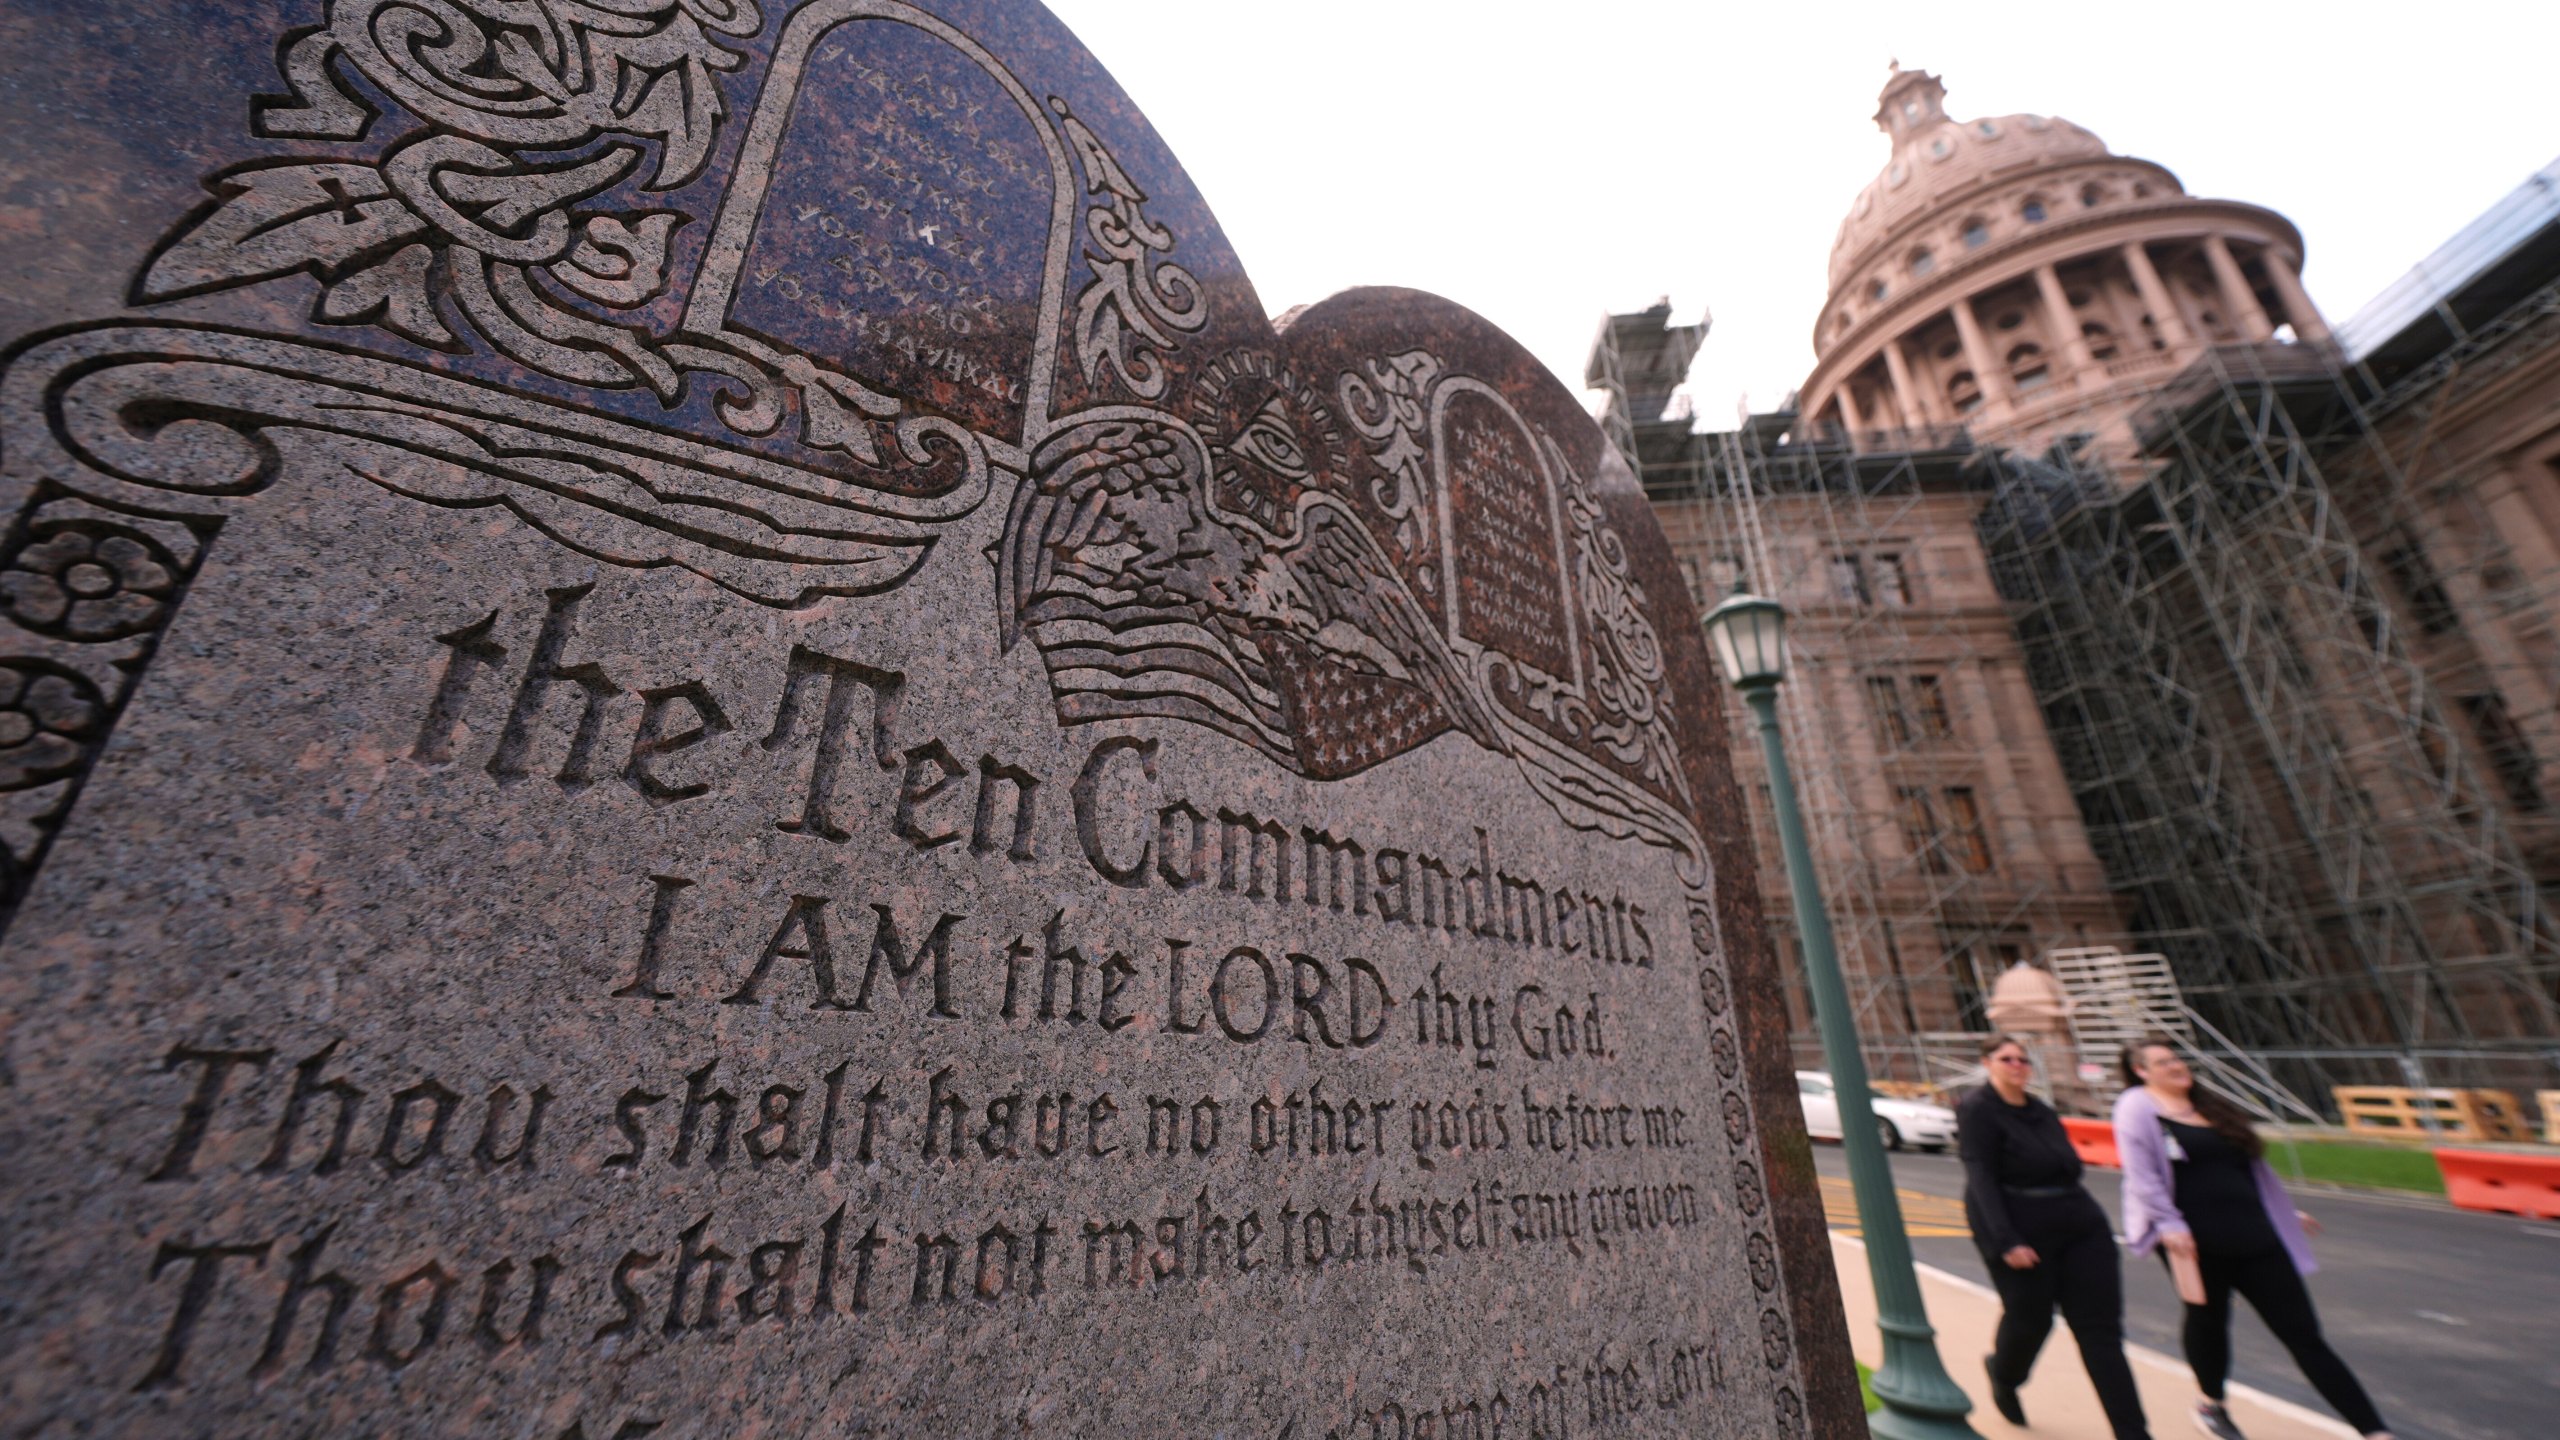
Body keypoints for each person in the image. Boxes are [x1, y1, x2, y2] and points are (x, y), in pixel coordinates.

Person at [2114, 1037, 2395, 1440]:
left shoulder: (2211, 1108)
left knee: (2303, 1335)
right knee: (2209, 1321)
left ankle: (2373, 1430)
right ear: (2142, 1071)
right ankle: (2211, 1404)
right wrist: (2169, 1224)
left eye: (2177, 1058)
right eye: (2163, 1062)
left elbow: (2247, 1172)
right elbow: (2143, 1175)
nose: (2176, 1066)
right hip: (2193, 1242)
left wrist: (2284, 1212)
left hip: (2254, 1235)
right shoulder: (2138, 1108)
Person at [1958, 1034, 2150, 1439]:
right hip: (2018, 1225)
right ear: (1987, 1063)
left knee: (2101, 1333)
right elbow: (1981, 1177)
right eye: (2006, 1058)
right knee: (2031, 1319)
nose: (2017, 1065)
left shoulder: (2041, 1110)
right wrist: (2006, 1239)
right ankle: (2005, 1374)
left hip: (2079, 1223)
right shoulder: (1978, 1110)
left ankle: (2133, 1433)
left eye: (2023, 1060)